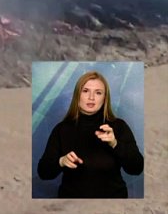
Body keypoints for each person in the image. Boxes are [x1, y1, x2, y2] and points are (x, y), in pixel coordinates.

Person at [36, 70, 144, 198]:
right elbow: (43, 172)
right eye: (85, 91)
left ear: (104, 98)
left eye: (98, 93)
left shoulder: (118, 127)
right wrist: (61, 161)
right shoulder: (61, 129)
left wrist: (115, 144)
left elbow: (137, 168)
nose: (91, 97)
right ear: (77, 95)